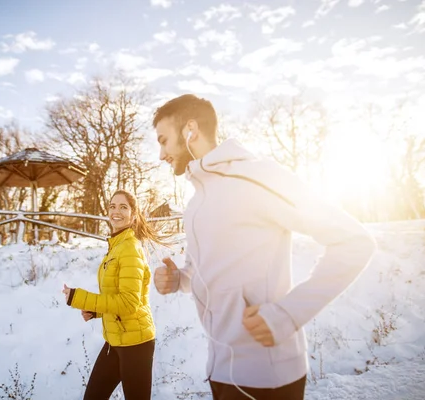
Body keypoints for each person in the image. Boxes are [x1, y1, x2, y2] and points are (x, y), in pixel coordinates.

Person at [151, 94, 377, 400]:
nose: (161, 153)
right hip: (219, 372)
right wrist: (179, 279)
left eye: (164, 141)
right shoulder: (195, 204)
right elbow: (204, 273)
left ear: (190, 130)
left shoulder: (257, 177)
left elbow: (354, 241)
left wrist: (288, 314)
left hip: (267, 378)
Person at [63, 190, 168, 400]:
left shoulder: (130, 248)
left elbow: (129, 303)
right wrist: (96, 311)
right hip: (114, 340)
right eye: (112, 206)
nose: (116, 211)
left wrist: (78, 297)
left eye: (123, 207)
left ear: (133, 214)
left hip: (136, 344)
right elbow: (117, 296)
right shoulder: (116, 246)